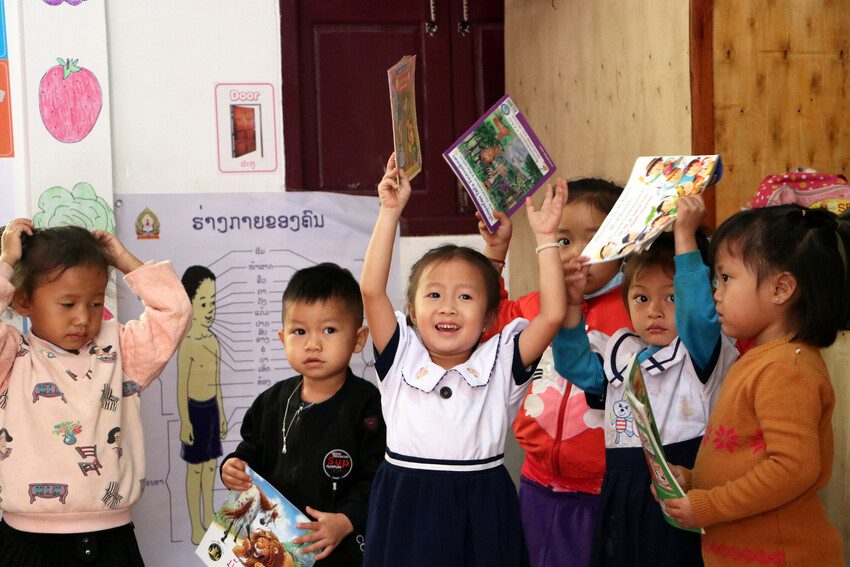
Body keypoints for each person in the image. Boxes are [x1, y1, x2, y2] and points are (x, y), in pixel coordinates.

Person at [360, 153, 567, 566]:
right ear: (413, 312)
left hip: (482, 509)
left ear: (489, 317)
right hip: (407, 509)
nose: (448, 308)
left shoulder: (502, 358)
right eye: (433, 295)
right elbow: (371, 290)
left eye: (465, 297)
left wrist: (545, 239)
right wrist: (389, 212)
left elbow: (554, 314)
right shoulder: (401, 353)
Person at [552, 196, 738, 566]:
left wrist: (683, 236)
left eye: (671, 297)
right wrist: (571, 305)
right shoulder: (621, 354)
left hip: (678, 489)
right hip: (621, 493)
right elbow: (573, 364)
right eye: (641, 297)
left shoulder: (698, 352)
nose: (654, 310)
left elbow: (699, 317)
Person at [663, 205, 849, 566]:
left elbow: (792, 468)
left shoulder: (787, 368)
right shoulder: (764, 358)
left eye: (727, 278)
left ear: (781, 288)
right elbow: (747, 456)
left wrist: (708, 505)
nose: (717, 293)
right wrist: (692, 478)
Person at [0, 218, 192, 565]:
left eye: (94, 302)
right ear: (24, 302)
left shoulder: (119, 349)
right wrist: (6, 262)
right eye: (68, 304)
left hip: (112, 542)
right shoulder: (11, 358)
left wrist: (121, 258)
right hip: (27, 544)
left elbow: (175, 312)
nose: (83, 319)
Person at [478, 178, 631, 567]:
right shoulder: (537, 306)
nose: (575, 255)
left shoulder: (637, 314)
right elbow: (488, 322)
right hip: (534, 482)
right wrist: (496, 253)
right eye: (563, 241)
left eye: (594, 241)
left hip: (602, 492)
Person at [221, 263, 386, 566]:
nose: (313, 343)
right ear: (283, 339)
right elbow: (249, 454)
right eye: (299, 331)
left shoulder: (369, 404)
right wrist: (234, 466)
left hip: (343, 552)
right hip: (276, 550)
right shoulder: (269, 403)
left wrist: (347, 520)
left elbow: (379, 479)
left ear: (359, 339)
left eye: (329, 329)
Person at [178, 265, 228, 544]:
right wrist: (185, 421)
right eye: (203, 303)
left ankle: (209, 516)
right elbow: (181, 388)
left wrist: (220, 415)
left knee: (211, 466)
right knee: (194, 469)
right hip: (194, 412)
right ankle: (196, 525)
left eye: (213, 302)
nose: (210, 309)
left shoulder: (214, 342)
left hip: (210, 410)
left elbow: (216, 382)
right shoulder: (187, 344)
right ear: (190, 304)